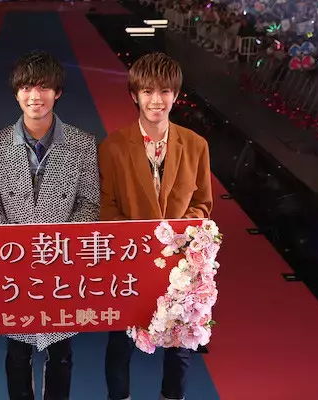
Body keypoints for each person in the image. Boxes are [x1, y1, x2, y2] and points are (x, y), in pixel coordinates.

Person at [0, 51, 100, 400]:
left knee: (61, 354)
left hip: (62, 265)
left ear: (57, 92)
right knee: (17, 353)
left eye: (44, 87)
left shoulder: (82, 143)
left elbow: (89, 203)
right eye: (27, 87)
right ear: (16, 93)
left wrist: (59, 243)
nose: (35, 95)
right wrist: (14, 242)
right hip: (15, 265)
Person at [98, 52, 213, 400]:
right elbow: (107, 208)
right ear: (134, 95)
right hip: (131, 261)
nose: (156, 100)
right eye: (147, 91)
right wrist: (143, 240)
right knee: (120, 344)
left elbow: (203, 204)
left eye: (164, 91)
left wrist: (177, 236)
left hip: (181, 265)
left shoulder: (196, 145)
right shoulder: (113, 147)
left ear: (175, 95)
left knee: (180, 349)